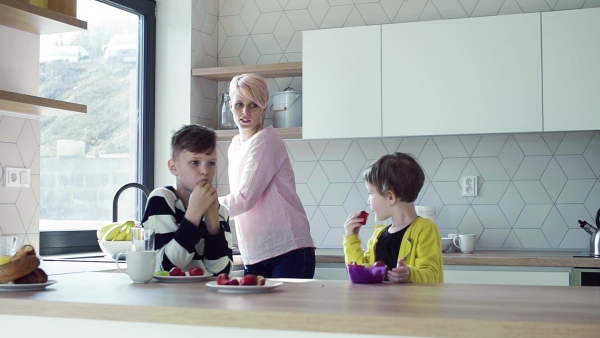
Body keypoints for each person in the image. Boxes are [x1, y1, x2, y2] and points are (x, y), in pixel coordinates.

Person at [218, 73, 315, 278]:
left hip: (288, 250)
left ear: (264, 107)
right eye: (239, 104)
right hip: (254, 254)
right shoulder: (235, 146)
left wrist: (202, 206)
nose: (245, 112)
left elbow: (244, 199)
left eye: (253, 105)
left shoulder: (266, 140)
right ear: (230, 107)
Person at [142, 124, 232, 275]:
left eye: (211, 163)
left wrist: (214, 227)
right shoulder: (161, 199)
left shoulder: (220, 210)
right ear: (173, 167)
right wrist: (193, 216)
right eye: (194, 162)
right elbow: (163, 268)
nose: (205, 171)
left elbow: (221, 273)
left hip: (206, 297)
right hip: (169, 297)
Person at [343, 152, 443, 283]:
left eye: (370, 193)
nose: (368, 200)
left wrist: (410, 274)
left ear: (390, 197)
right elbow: (359, 272)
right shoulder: (379, 234)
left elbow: (432, 275)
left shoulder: (425, 228)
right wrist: (351, 239)